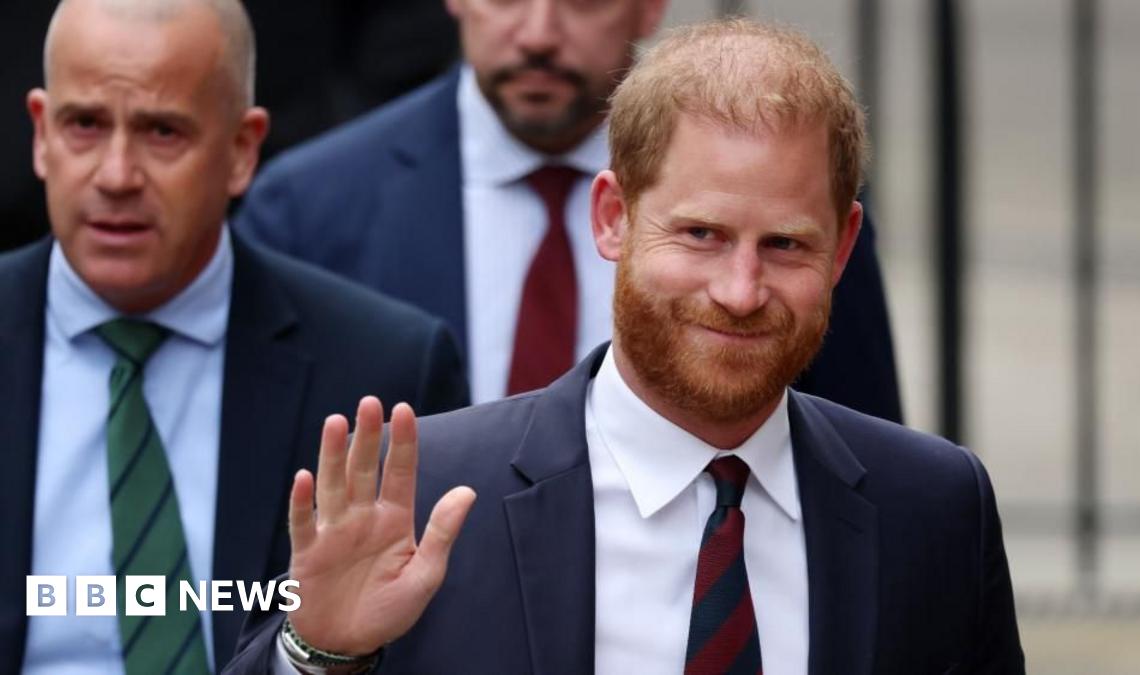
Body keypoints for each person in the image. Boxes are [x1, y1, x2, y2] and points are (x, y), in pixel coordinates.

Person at [228, 19, 1024, 675]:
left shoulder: (934, 510)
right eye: (701, 234)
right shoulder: (427, 496)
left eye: (784, 244)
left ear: (844, 246)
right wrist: (318, 655)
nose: (740, 290)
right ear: (612, 217)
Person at [0, 1, 468, 672]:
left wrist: (316, 653)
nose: (116, 175)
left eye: (162, 132)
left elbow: (437, 649)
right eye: (85, 125)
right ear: (41, 134)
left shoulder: (383, 369)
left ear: (243, 150)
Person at [234, 0, 904, 423]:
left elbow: (858, 472)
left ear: (649, 8)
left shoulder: (788, 212)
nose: (539, 34)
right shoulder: (305, 209)